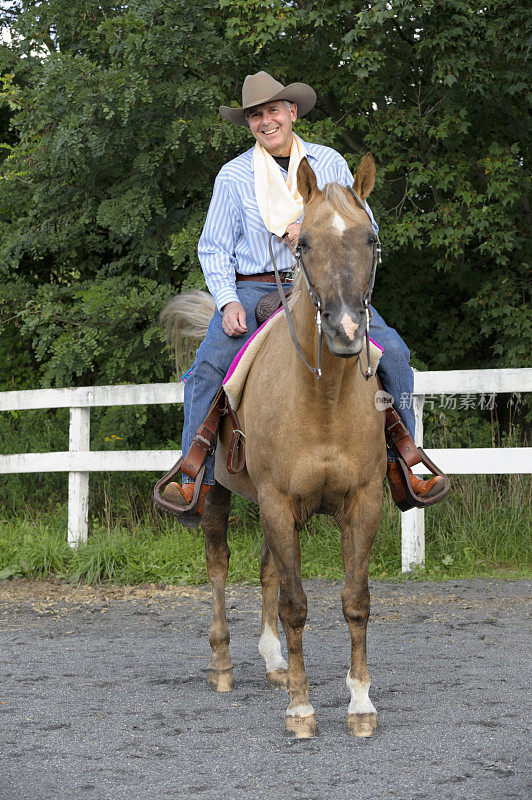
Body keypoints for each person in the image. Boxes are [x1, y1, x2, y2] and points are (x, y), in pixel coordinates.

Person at [163, 71, 443, 516]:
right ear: (249, 123)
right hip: (255, 289)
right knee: (207, 367)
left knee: (393, 352)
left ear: (292, 112)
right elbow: (213, 248)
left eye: (273, 110)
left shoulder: (329, 162)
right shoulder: (233, 177)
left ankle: (403, 462)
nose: (265, 121)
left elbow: (363, 226)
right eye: (255, 115)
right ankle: (191, 476)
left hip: (328, 285)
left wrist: (310, 230)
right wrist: (227, 301)